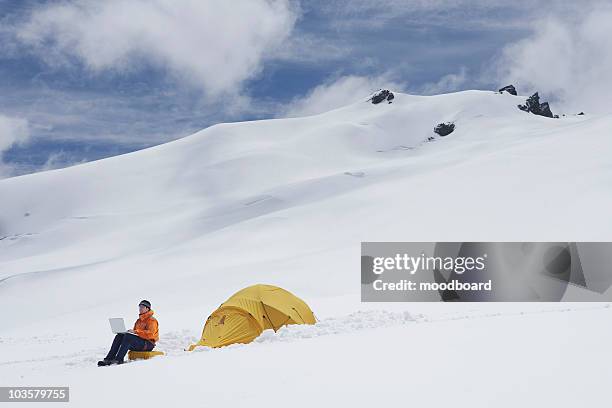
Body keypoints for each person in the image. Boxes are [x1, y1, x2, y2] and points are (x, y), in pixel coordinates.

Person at [98, 300, 159, 366]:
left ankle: (119, 359)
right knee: (120, 336)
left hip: (148, 344)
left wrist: (135, 332)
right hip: (141, 342)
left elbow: (151, 334)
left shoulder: (152, 320)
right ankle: (109, 359)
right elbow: (136, 334)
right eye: (139, 307)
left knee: (128, 337)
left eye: (142, 307)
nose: (140, 309)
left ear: (147, 308)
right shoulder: (139, 321)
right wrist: (129, 333)